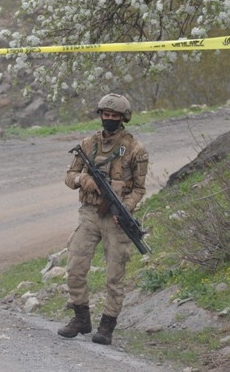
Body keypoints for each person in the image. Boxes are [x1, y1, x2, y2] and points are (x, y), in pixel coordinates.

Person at [58, 93, 149, 345]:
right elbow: (69, 176)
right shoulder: (88, 144)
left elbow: (139, 189)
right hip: (90, 213)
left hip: (116, 218)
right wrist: (83, 180)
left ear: (123, 118)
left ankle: (107, 325)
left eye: (114, 116)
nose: (109, 119)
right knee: (75, 266)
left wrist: (125, 209)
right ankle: (80, 318)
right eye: (106, 115)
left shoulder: (136, 149)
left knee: (114, 274)